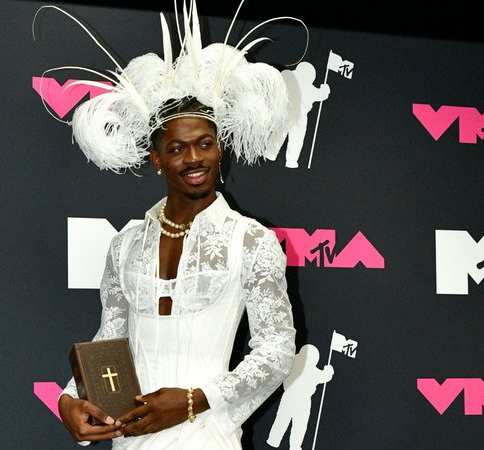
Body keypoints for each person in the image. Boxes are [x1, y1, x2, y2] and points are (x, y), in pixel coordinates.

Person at [37, 1, 301, 448]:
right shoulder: (125, 245)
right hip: (132, 438)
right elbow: (111, 336)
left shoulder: (250, 241)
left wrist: (197, 403)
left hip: (207, 436)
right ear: (158, 159)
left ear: (220, 151)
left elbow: (276, 352)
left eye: (205, 144)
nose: (194, 158)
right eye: (178, 149)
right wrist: (69, 399)